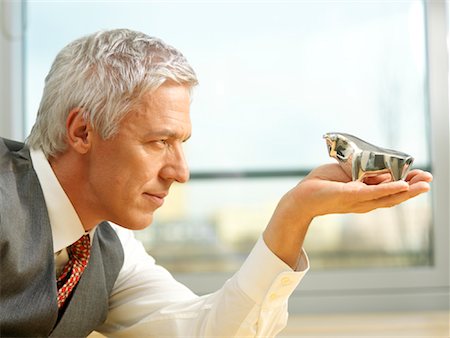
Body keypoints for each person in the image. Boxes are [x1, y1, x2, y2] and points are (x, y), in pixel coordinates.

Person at [0, 29, 432, 337]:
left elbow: (205, 332)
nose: (180, 172)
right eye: (159, 142)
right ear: (81, 132)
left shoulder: (109, 249)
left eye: (181, 143)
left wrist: (295, 213)